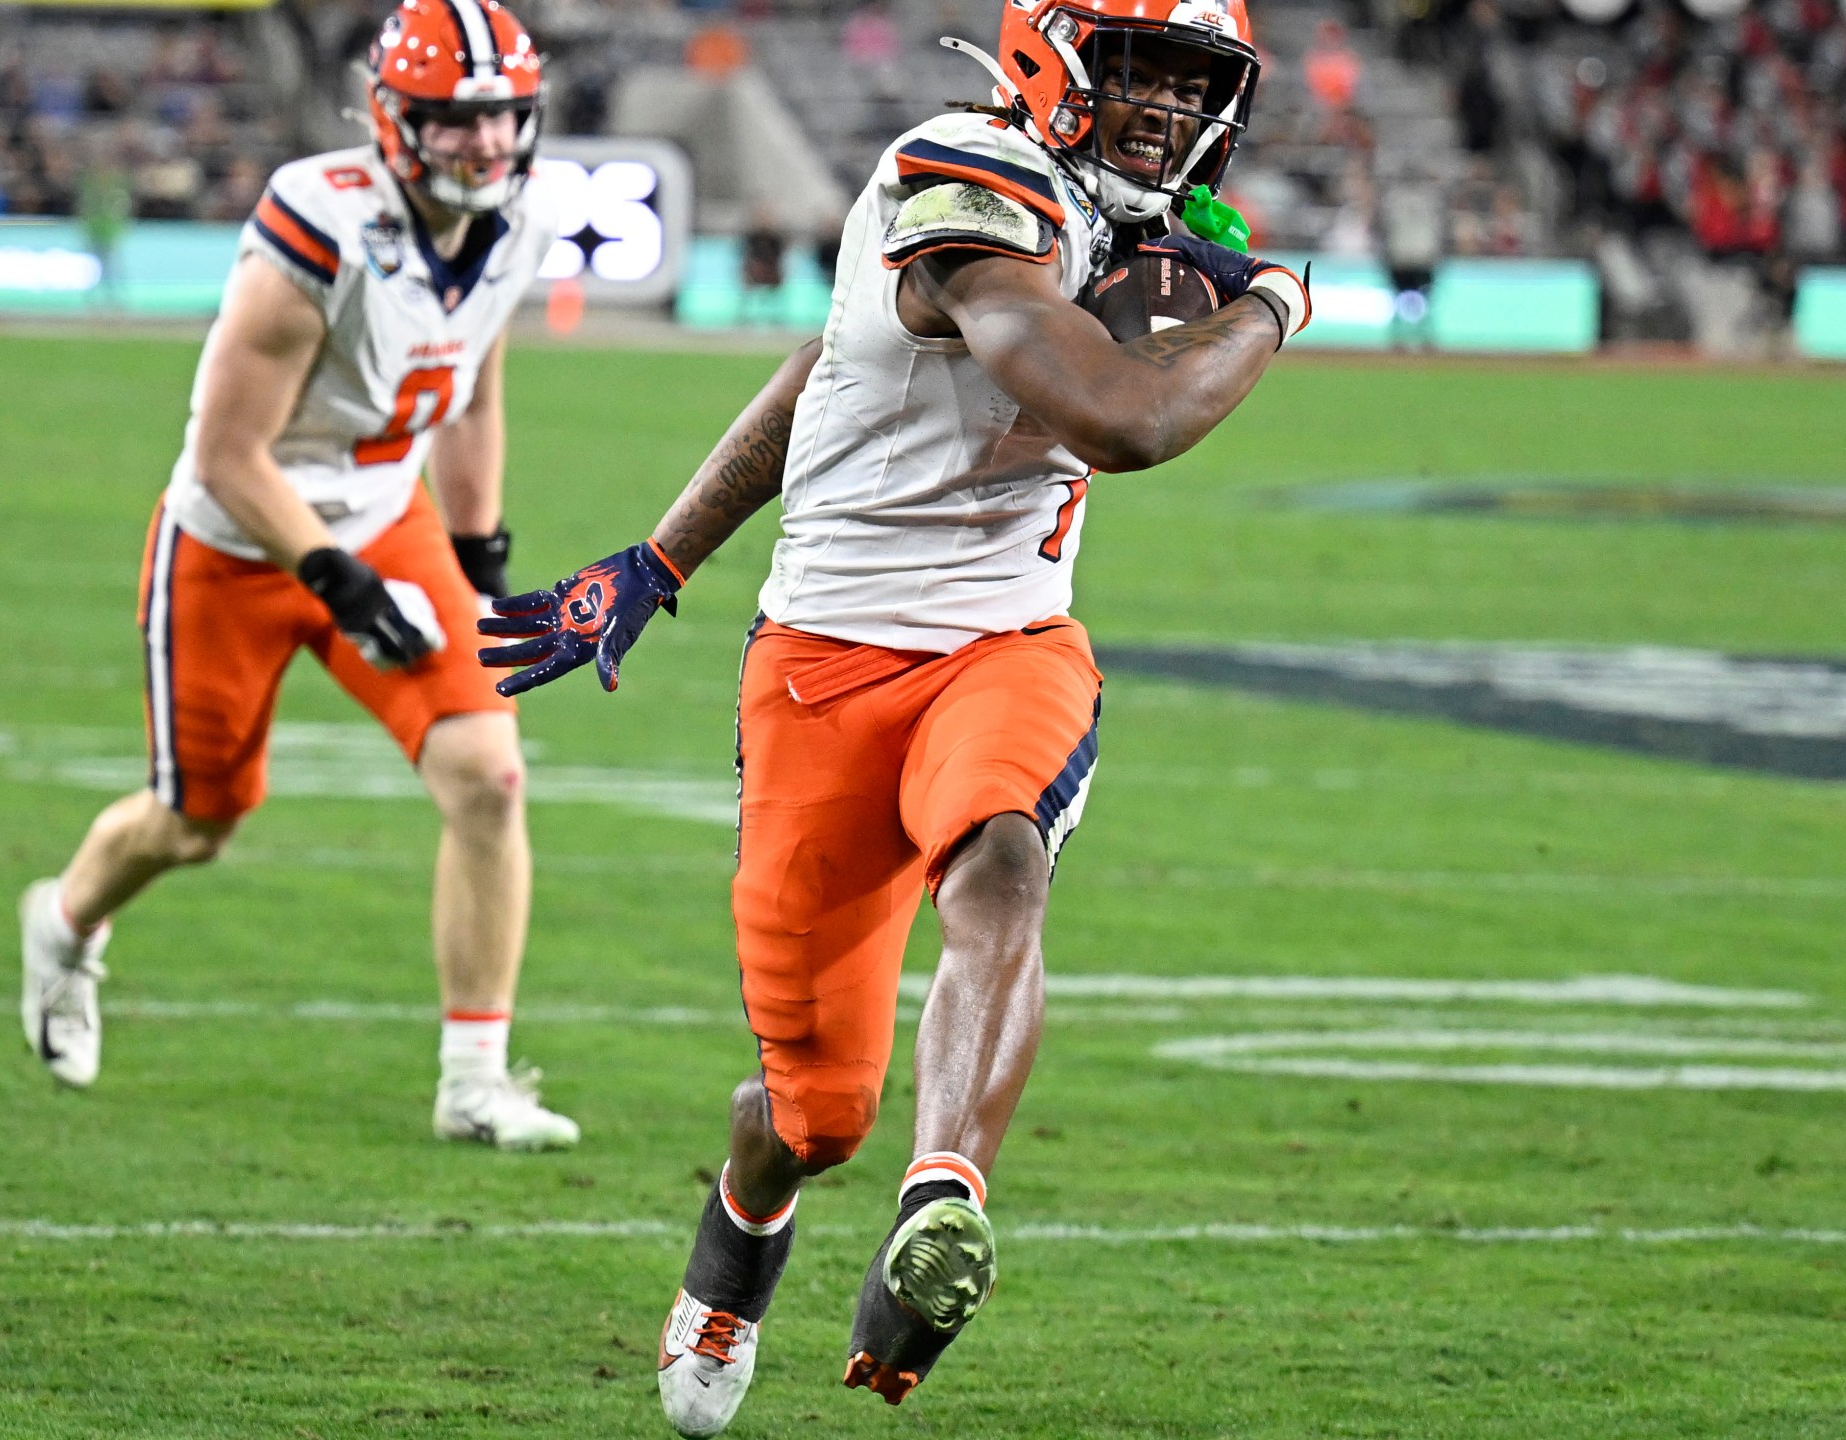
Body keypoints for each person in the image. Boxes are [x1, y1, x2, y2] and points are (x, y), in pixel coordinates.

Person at [478, 0, 1308, 1429]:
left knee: (1004, 855)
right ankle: (748, 1219)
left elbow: (824, 363)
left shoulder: (1119, 225)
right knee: (812, 1114)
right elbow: (1124, 420)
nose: (1170, 109)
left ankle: (948, 1201)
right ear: (1057, 58)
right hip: (823, 675)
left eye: (1196, 81)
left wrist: (660, 556)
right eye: (1140, 69)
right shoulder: (962, 177)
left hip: (1007, 643)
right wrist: (1272, 308)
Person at [16, 0, 581, 1152]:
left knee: (488, 773)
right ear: (392, 119)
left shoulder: (515, 220)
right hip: (237, 538)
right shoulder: (318, 223)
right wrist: (337, 580)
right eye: (454, 121)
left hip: (386, 518)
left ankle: (473, 1076)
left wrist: (477, 552)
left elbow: (471, 389)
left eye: (501, 119)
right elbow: (231, 454)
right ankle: (67, 923)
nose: (484, 144)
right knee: (198, 820)